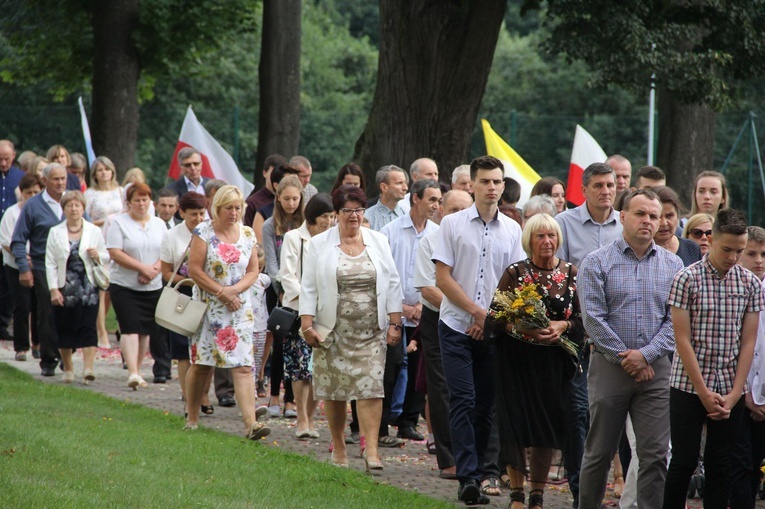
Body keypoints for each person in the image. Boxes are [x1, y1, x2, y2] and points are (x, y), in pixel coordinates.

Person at [577, 189, 684, 508]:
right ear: (622, 217)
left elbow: (676, 321)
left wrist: (647, 355)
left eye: (655, 215)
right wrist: (629, 358)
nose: (649, 221)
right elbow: (593, 318)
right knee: (599, 453)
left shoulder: (673, 264)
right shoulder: (596, 262)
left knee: (654, 454)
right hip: (610, 368)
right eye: (641, 214)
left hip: (656, 372)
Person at [433, 155, 524, 505]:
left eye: (497, 182)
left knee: (487, 404)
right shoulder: (452, 224)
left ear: (503, 186)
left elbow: (513, 282)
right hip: (455, 325)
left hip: (492, 328)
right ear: (471, 185)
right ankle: (467, 477)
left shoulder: (513, 230)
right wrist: (475, 313)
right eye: (484, 181)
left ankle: (488, 471)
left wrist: (490, 319)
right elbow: (443, 278)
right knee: (463, 399)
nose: (491, 187)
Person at [663, 209, 763, 509]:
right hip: (687, 383)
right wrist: (703, 392)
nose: (733, 257)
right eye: (727, 249)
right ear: (712, 240)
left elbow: (748, 341)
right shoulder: (686, 278)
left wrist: (735, 394)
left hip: (729, 384)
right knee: (683, 461)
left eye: (739, 251)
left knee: (722, 465)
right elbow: (682, 339)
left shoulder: (749, 284)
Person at [299, 185, 403, 470]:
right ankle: (340, 446)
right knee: (334, 391)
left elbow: (392, 282)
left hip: (371, 330)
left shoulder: (379, 241)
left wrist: (396, 322)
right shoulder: (318, 244)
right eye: (348, 211)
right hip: (332, 331)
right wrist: (307, 325)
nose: (354, 216)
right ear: (337, 214)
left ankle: (371, 450)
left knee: (371, 389)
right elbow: (308, 287)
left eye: (359, 210)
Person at [486, 213, 584, 509]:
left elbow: (584, 319)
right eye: (540, 236)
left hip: (555, 366)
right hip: (517, 363)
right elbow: (494, 317)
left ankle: (537, 495)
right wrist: (520, 327)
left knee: (546, 430)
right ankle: (516, 494)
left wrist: (562, 327)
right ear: (529, 241)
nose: (547, 241)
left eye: (552, 235)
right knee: (516, 427)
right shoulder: (516, 272)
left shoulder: (571, 273)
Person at [554, 162, 623, 506]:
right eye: (598, 185)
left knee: (608, 412)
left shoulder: (625, 224)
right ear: (585, 189)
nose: (606, 191)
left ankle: (616, 480)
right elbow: (559, 277)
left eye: (610, 185)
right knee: (578, 411)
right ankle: (580, 483)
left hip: (618, 331)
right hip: (575, 331)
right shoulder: (563, 225)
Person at [185, 185, 271, 440]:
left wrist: (234, 291)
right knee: (202, 364)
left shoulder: (246, 234)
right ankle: (192, 416)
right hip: (209, 308)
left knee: (244, 366)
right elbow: (195, 270)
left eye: (237, 208)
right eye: (228, 208)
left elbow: (253, 271)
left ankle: (251, 425)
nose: (234, 213)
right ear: (217, 209)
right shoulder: (204, 231)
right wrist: (222, 292)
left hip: (239, 309)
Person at [413, 189, 474, 480]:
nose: (458, 216)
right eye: (452, 210)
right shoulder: (431, 240)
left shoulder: (478, 238)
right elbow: (428, 288)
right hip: (438, 318)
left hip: (477, 321)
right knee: (441, 388)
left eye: (464, 210)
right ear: (441, 212)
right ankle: (448, 457)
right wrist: (464, 310)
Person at [380, 179, 441, 443]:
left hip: (424, 310)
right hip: (392, 311)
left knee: (419, 370)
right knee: (389, 370)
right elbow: (383, 273)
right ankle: (381, 427)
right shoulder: (390, 231)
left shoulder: (439, 234)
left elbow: (441, 275)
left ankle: (408, 422)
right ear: (415, 198)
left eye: (439, 201)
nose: (436, 206)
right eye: (431, 200)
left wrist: (420, 306)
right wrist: (402, 307)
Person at [279, 193, 336, 438]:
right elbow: (287, 276)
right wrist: (308, 304)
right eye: (325, 216)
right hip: (298, 310)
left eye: (333, 216)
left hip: (325, 313)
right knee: (299, 368)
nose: (330, 221)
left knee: (318, 368)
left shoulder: (333, 240)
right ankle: (301, 419)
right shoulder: (294, 238)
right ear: (312, 216)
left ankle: (311, 419)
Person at [106, 182, 168, 388]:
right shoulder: (119, 223)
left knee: (145, 330)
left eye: (145, 199)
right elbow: (115, 252)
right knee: (130, 327)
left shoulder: (159, 224)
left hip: (153, 285)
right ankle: (132, 371)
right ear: (129, 203)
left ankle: (138, 370)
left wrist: (154, 270)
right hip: (125, 285)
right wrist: (141, 268)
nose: (142, 204)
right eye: (137, 200)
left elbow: (166, 252)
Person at [12, 163, 69, 376]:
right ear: (45, 181)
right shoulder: (33, 206)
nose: (61, 183)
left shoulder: (72, 202)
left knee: (70, 311)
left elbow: (87, 227)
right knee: (47, 311)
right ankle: (49, 357)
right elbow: (18, 240)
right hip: (43, 265)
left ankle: (67, 354)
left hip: (71, 266)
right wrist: (24, 268)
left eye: (63, 178)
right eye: (56, 179)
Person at [45, 191, 108, 383]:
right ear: (63, 209)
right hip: (66, 288)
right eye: (69, 206)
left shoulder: (93, 231)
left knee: (88, 326)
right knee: (65, 327)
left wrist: (97, 255)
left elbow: (106, 256)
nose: (74, 209)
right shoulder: (55, 232)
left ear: (83, 208)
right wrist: (54, 289)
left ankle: (88, 368)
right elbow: (50, 263)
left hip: (88, 287)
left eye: (77, 205)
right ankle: (69, 368)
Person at [159, 192, 213, 415]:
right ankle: (187, 396)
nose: (199, 219)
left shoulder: (212, 233)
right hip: (183, 294)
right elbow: (166, 272)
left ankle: (204, 394)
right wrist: (191, 280)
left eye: (202, 213)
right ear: (181, 213)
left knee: (206, 347)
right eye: (193, 215)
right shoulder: (172, 236)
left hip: (208, 294)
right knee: (183, 350)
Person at [262, 174, 305, 418]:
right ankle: (274, 395)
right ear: (278, 198)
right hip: (278, 291)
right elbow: (271, 264)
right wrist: (284, 288)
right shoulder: (270, 225)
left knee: (295, 345)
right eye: (286, 198)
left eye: (295, 199)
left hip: (301, 292)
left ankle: (291, 400)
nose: (290, 203)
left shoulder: (304, 224)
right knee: (279, 344)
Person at [729, 226, 765, 509]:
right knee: (739, 464)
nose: (759, 260)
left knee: (756, 466)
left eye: (764, 254)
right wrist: (746, 394)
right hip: (736, 393)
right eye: (751, 253)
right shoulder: (734, 290)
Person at [84, 156, 125, 348]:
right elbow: (86, 220)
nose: (103, 173)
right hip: (99, 238)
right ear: (94, 174)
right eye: (99, 170)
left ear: (112, 171)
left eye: (106, 169)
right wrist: (106, 221)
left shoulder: (121, 191)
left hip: (118, 240)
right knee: (101, 287)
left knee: (115, 287)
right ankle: (101, 332)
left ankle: (120, 328)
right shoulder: (90, 194)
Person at [0, 173, 42, 361]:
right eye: (28, 193)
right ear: (21, 193)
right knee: (22, 305)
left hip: (39, 264)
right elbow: (6, 241)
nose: (32, 196)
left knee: (39, 305)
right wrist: (23, 258)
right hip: (15, 265)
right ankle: (21, 346)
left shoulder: (43, 212)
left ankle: (38, 343)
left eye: (36, 192)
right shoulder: (12, 213)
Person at [0, 140, 25, 342]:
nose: (3, 163)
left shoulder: (20, 178)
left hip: (10, 237)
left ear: (14, 156)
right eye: (0, 159)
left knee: (8, 284)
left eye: (6, 159)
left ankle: (2, 323)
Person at [653, 186, 702, 266]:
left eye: (669, 216)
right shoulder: (640, 251)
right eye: (657, 216)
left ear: (678, 216)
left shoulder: (692, 248)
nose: (664, 223)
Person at [244, 153, 288, 227]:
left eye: (281, 174)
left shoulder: (292, 201)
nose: (277, 177)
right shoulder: (252, 203)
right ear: (264, 173)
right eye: (273, 173)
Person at [365, 165, 409, 231]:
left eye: (405, 183)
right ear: (384, 187)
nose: (405, 188)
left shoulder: (408, 215)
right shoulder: (367, 217)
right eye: (399, 183)